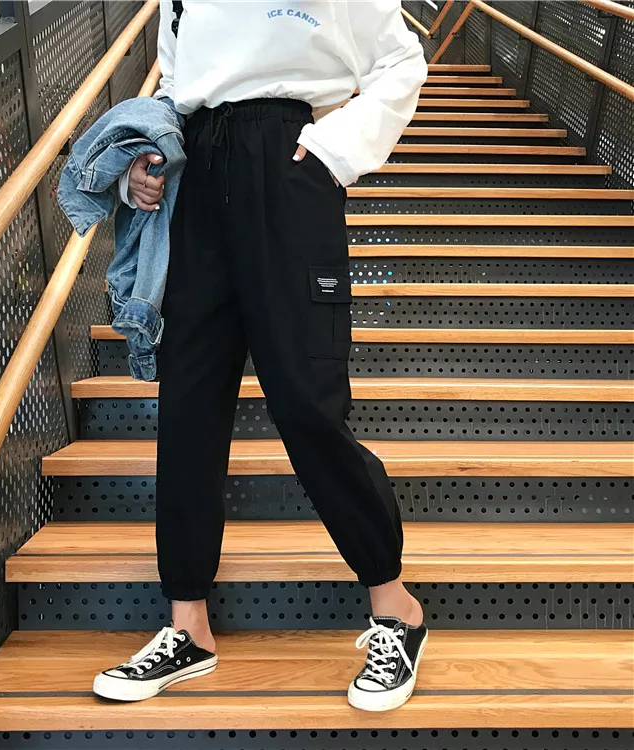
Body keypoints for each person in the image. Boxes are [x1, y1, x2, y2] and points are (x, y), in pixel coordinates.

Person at [92, 0, 429, 712]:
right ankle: (188, 626)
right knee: (188, 408)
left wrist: (335, 149)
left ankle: (395, 607)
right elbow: (175, 85)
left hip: (288, 165)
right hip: (195, 176)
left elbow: (401, 60)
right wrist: (146, 166)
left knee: (307, 403)